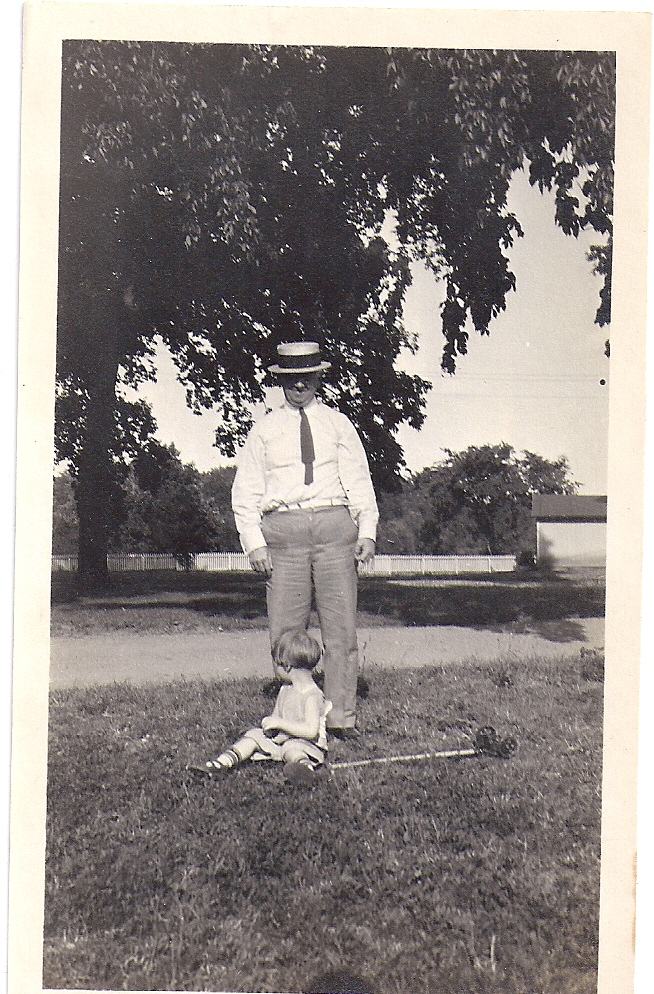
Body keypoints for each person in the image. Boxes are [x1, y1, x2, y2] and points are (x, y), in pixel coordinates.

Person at [231, 340, 378, 740]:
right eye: (291, 378)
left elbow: (359, 480)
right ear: (281, 381)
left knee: (341, 629)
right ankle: (294, 710)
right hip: (284, 532)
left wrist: (367, 530)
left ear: (318, 378)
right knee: (285, 630)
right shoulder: (264, 430)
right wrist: (254, 542)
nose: (299, 385)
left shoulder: (338, 424)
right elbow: (245, 490)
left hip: (334, 529)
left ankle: (341, 716)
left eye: (307, 377)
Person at [187, 630, 331, 784]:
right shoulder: (286, 689)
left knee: (292, 747)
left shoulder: (312, 696)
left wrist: (281, 724)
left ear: (287, 666)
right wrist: (271, 728)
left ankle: (306, 770)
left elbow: (310, 731)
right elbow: (277, 717)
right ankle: (221, 764)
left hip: (308, 747)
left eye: (278, 665)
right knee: (253, 735)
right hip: (284, 741)